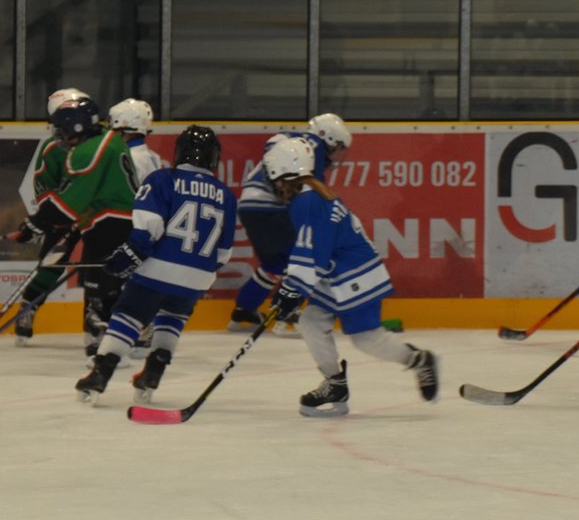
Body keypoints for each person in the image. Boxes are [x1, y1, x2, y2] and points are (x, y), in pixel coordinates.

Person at [263, 137, 439, 417]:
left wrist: (291, 290)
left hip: (354, 275)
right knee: (310, 320)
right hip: (338, 274)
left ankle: (418, 359)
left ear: (279, 170)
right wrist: (291, 289)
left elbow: (313, 253)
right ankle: (335, 383)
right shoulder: (310, 194)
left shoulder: (308, 201)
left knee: (366, 339)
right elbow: (313, 251)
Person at [75, 125, 236, 404]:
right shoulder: (227, 195)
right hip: (199, 277)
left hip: (158, 269)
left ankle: (99, 375)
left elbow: (148, 230)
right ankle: (153, 373)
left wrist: (124, 259)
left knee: (127, 315)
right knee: (172, 318)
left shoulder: (162, 179)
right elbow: (223, 253)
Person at [16, 97, 139, 362]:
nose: (60, 135)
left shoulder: (88, 152)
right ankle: (107, 343)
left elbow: (70, 202)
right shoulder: (108, 139)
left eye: (63, 130)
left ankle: (102, 347)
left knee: (99, 287)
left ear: (78, 127)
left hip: (107, 223)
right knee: (106, 283)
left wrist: (34, 224)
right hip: (122, 221)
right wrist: (41, 220)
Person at [228, 113, 352, 338]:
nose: (337, 153)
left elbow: (272, 144)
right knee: (303, 260)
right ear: (326, 137)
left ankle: (243, 312)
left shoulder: (294, 140)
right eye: (337, 147)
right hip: (269, 208)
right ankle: (286, 316)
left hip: (250, 206)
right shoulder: (314, 147)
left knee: (274, 265)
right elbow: (311, 192)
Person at [14, 87, 90, 346]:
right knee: (52, 263)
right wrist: (57, 219)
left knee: (105, 267)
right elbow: (44, 189)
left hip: (98, 216)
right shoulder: (52, 149)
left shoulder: (99, 143)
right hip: (65, 217)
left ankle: (99, 320)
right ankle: (29, 306)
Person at [108, 97, 169, 358]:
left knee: (128, 281)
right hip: (154, 229)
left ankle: (135, 332)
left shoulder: (129, 157)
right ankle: (144, 330)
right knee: (141, 279)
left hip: (135, 227)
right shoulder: (153, 157)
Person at [108, 98, 168, 184]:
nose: (111, 133)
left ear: (124, 130)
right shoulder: (150, 155)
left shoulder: (129, 158)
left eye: (114, 129)